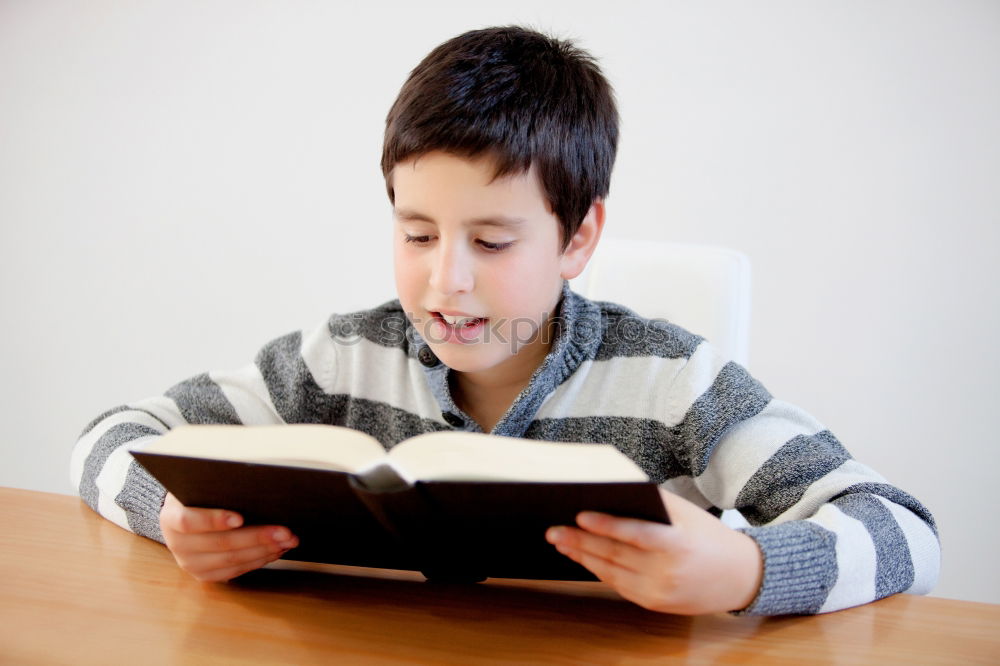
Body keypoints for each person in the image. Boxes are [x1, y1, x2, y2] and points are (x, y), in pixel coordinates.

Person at [71, 25, 939, 616]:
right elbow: (112, 435)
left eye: (491, 240)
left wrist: (749, 570)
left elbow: (903, 531)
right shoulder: (340, 356)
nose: (446, 280)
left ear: (578, 235)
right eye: (416, 233)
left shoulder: (674, 382)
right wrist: (174, 516)